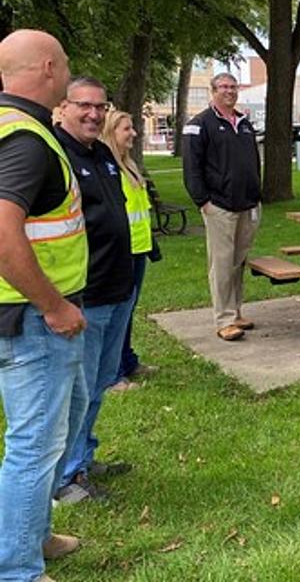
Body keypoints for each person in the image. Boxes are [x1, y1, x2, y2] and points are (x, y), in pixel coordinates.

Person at [0, 30, 87, 582]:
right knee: (34, 444)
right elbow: (3, 233)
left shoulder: (13, 127)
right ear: (50, 67)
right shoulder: (27, 138)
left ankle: (33, 533)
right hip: (35, 319)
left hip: (30, 315)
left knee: (58, 423)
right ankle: (18, 568)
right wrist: (53, 305)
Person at [53, 76, 135, 505]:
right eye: (84, 105)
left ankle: (83, 457)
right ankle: (67, 477)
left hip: (118, 288)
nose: (94, 113)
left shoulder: (102, 153)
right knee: (79, 389)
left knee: (100, 381)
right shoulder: (56, 155)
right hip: (87, 295)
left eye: (101, 106)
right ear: (63, 107)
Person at [182, 73, 262, 341]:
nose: (229, 91)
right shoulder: (200, 125)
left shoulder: (244, 123)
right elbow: (192, 168)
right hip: (219, 205)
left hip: (247, 204)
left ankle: (236, 311)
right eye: (224, 87)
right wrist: (202, 201)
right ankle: (224, 319)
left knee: (238, 261)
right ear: (213, 91)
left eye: (233, 87)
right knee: (222, 263)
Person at [101, 110, 158, 392]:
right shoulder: (107, 168)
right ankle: (111, 375)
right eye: (127, 129)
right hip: (120, 252)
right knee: (115, 314)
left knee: (128, 310)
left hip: (138, 248)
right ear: (112, 133)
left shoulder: (129, 165)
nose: (133, 133)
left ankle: (127, 361)